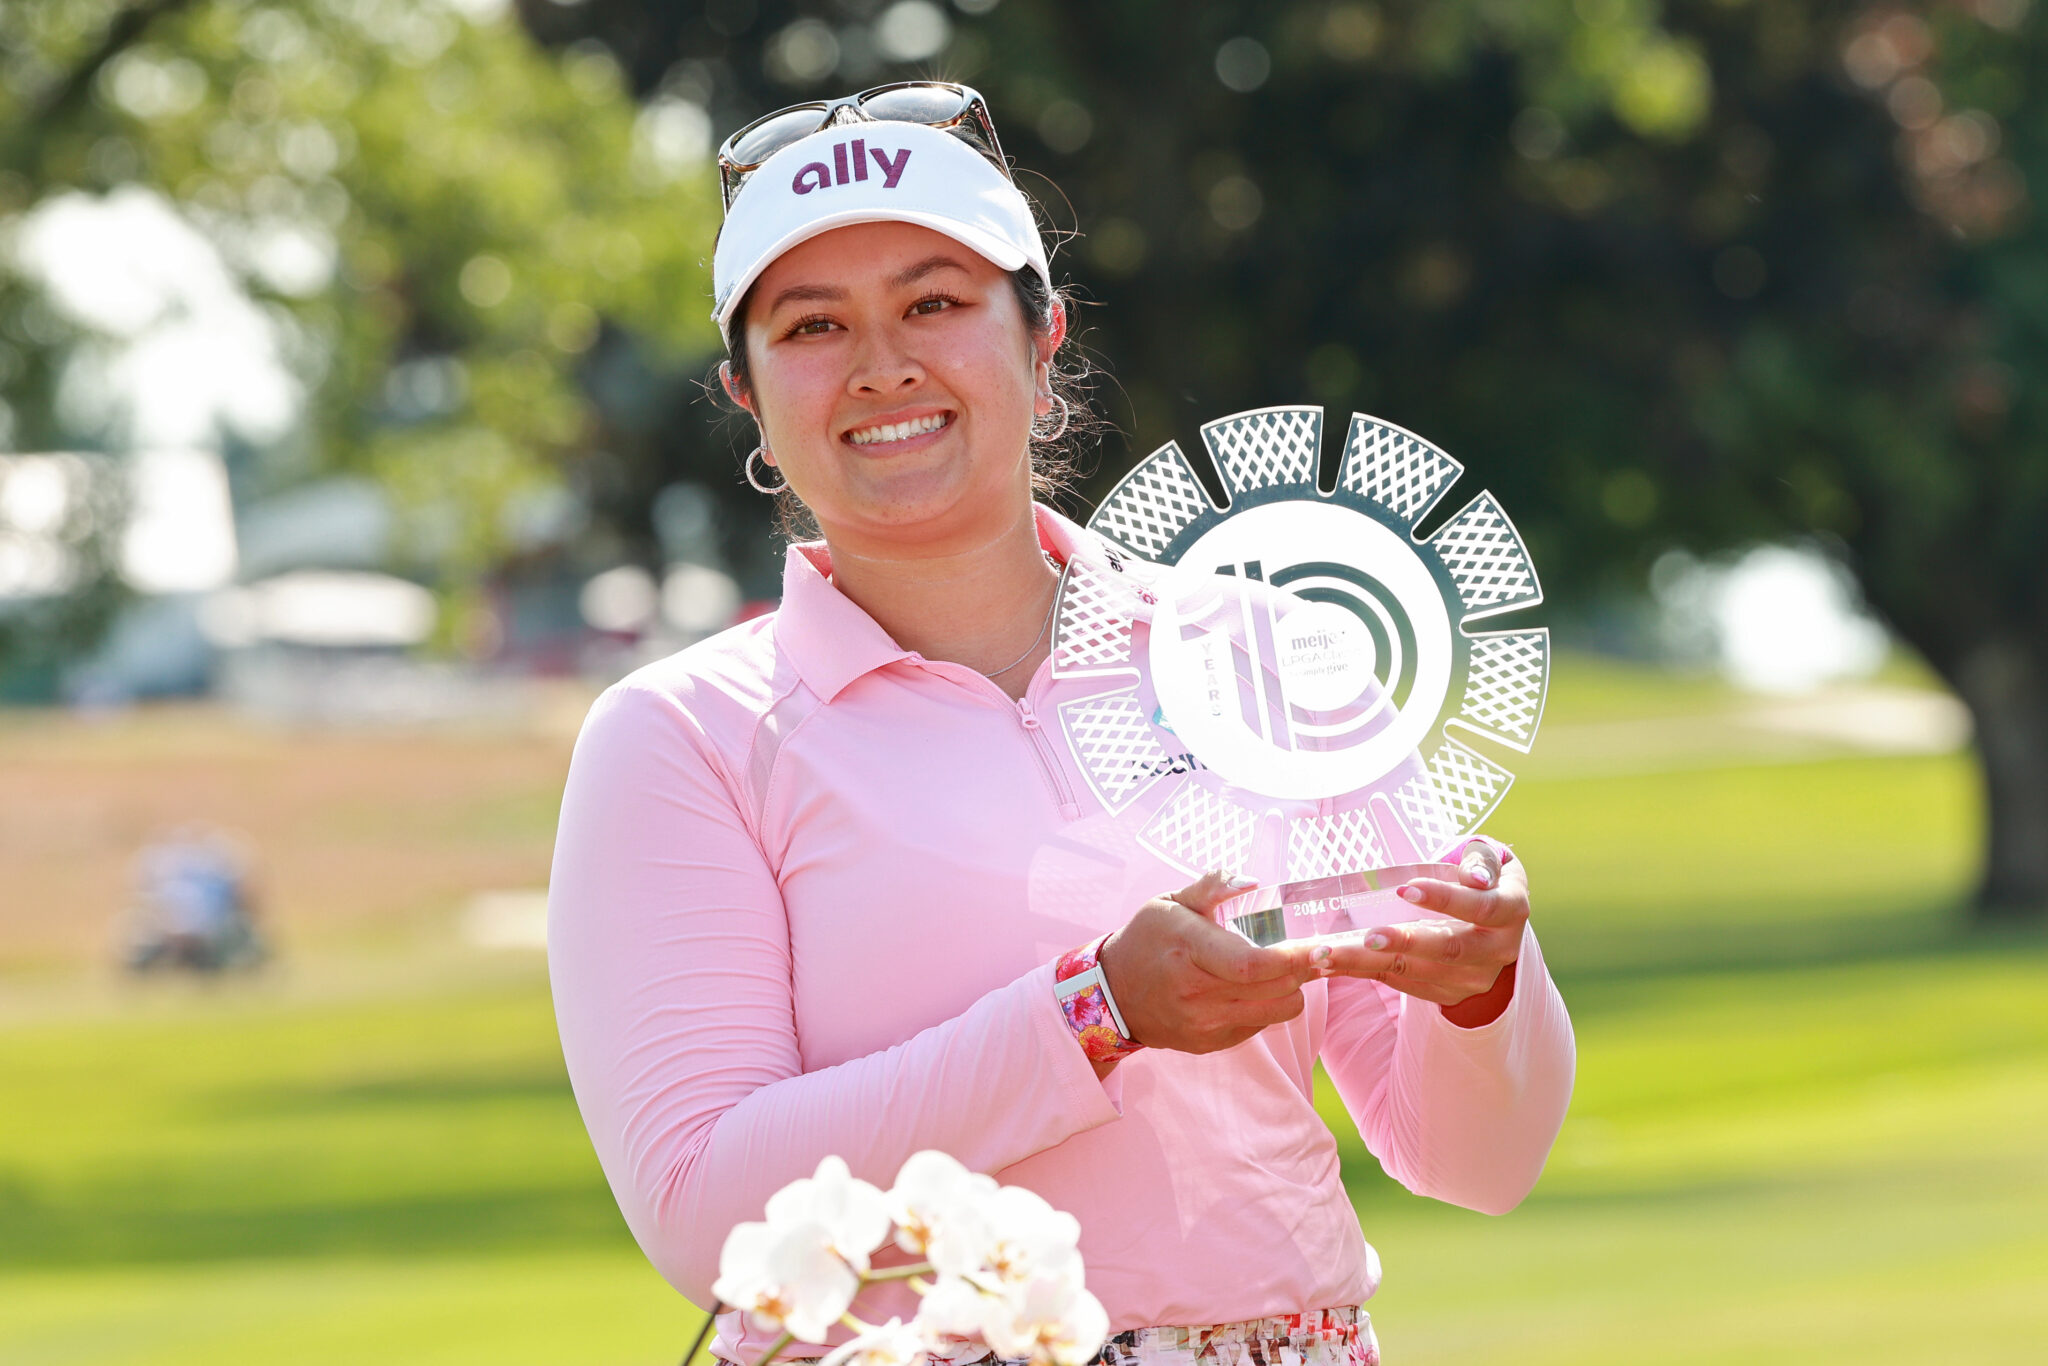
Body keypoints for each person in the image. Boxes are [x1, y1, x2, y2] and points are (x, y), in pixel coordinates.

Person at [548, 83, 1574, 1366]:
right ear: (747, 396)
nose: (881, 365)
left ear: (1042, 340)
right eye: (812, 325)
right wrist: (1092, 1013)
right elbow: (709, 1213)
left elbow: (1476, 1158)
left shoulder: (1274, 659)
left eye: (933, 302)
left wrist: (1482, 992)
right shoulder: (683, 736)